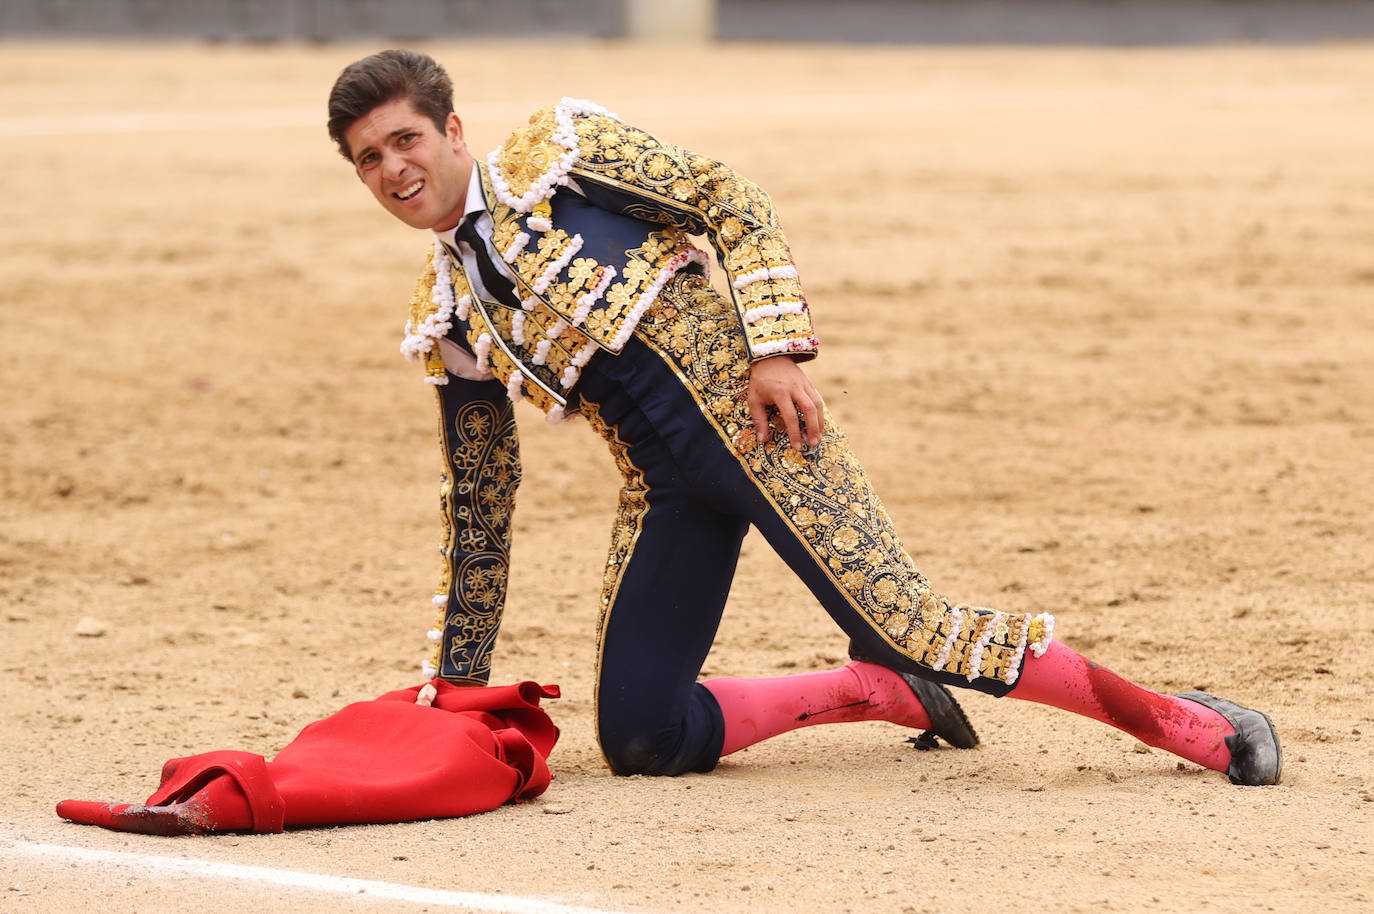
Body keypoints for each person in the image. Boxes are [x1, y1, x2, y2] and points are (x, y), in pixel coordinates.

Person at [326, 48, 1280, 786]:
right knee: (642, 737)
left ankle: (1190, 724)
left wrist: (775, 349)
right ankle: (873, 692)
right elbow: (482, 502)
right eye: (370, 159)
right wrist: (454, 681)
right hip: (668, 490)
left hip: (765, 435)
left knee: (914, 622)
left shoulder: (560, 155)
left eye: (404, 140)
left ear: (452, 128)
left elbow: (727, 198)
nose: (394, 169)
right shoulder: (446, 317)